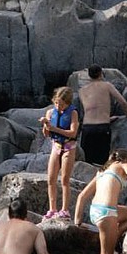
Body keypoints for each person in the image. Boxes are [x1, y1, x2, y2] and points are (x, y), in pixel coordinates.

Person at [74, 148, 127, 254]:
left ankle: (115, 234)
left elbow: (82, 196)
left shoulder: (101, 172)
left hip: (96, 211)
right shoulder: (123, 164)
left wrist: (77, 222)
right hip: (107, 213)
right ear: (126, 160)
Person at [39, 86, 79, 219]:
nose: (58, 106)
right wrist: (45, 125)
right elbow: (47, 133)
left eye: (61, 104)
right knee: (51, 179)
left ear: (67, 103)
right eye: (56, 103)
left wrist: (54, 129)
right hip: (55, 146)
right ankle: (52, 209)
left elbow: (73, 132)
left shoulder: (73, 113)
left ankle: (65, 209)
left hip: (68, 146)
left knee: (65, 180)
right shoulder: (50, 112)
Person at [78, 65, 127, 165]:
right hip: (102, 127)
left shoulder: (82, 91)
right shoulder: (107, 86)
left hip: (87, 128)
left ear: (89, 76)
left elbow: (90, 108)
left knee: (87, 161)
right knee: (102, 162)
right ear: (101, 74)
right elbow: (123, 102)